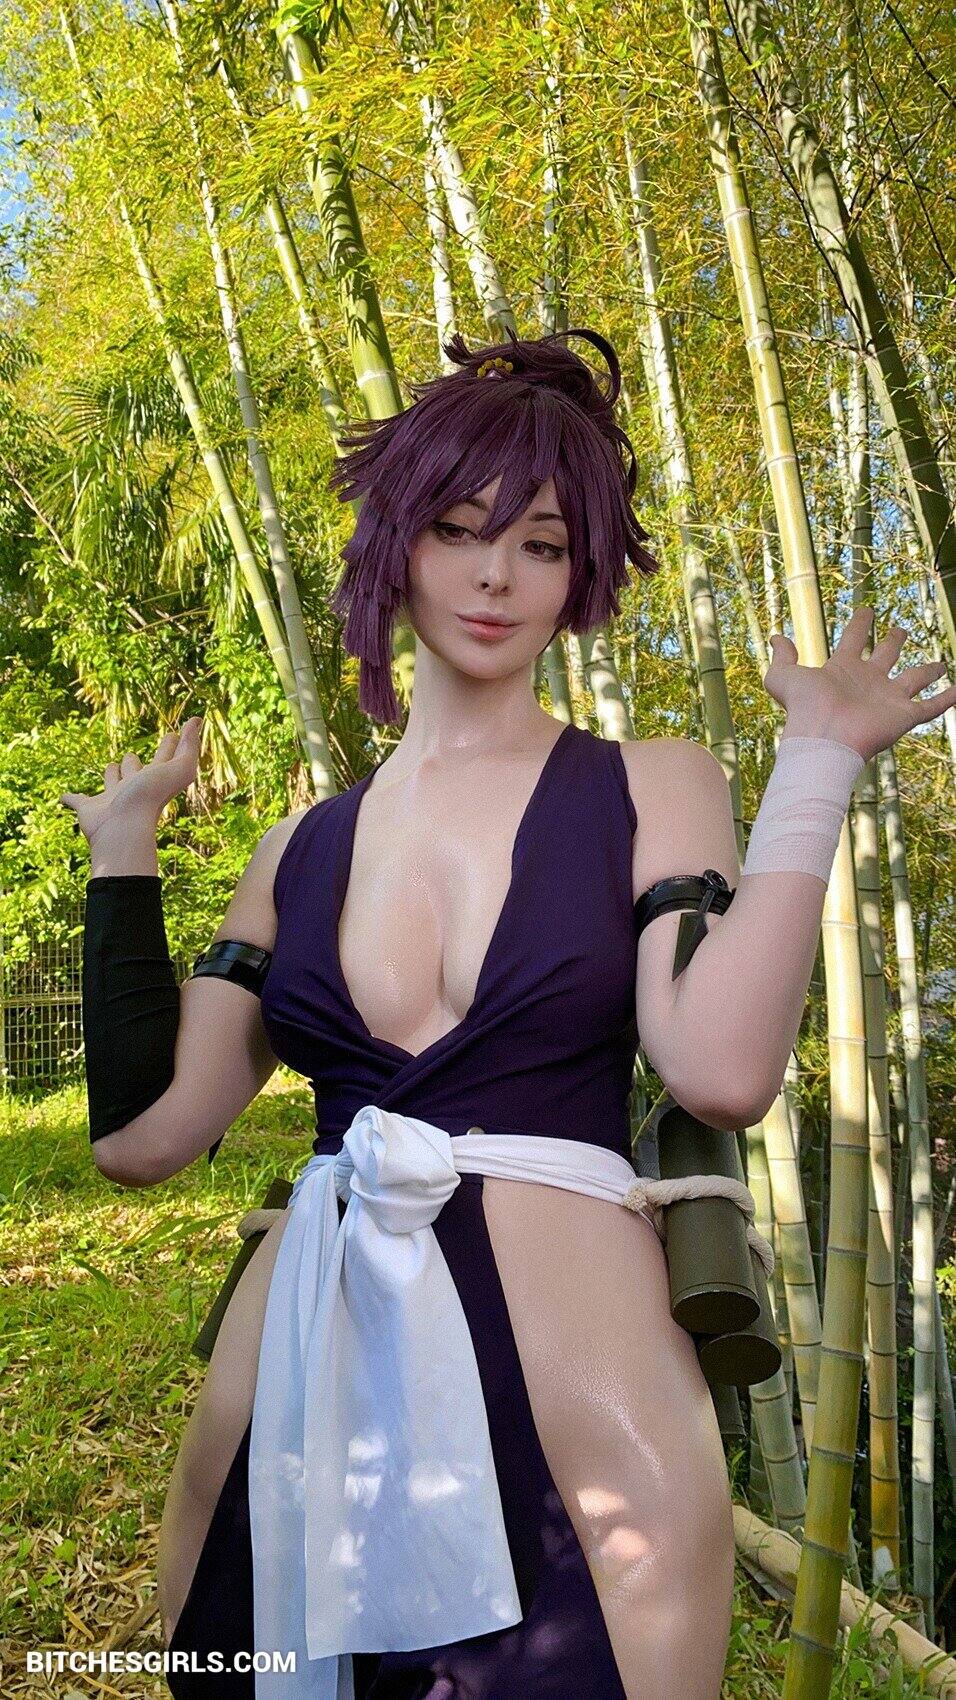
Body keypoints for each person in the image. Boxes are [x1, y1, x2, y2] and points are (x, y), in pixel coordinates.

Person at [63, 328, 956, 1699]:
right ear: (395, 545)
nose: (496, 576)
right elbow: (143, 1138)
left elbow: (720, 1071)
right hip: (299, 1370)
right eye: (459, 530)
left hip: (574, 1378)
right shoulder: (297, 847)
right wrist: (123, 854)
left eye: (542, 545)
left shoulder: (653, 780)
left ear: (579, 574)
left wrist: (817, 771)